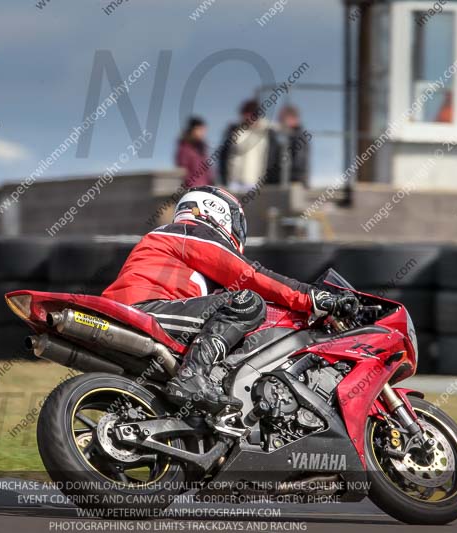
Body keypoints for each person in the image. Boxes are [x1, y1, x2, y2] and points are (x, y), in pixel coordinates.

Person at [102, 186, 357, 412]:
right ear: (218, 212)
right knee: (246, 302)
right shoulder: (191, 231)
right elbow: (250, 275)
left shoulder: (172, 241)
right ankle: (192, 376)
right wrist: (311, 296)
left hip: (143, 312)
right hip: (144, 310)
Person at [219, 100, 280, 193]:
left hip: (255, 182)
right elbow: (224, 156)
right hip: (234, 182)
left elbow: (272, 157)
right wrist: (223, 178)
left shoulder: (267, 133)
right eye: (245, 115)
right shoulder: (233, 131)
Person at [175, 117, 214, 188]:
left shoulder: (202, 149)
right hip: (192, 190)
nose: (203, 133)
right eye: (200, 130)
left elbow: (208, 172)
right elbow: (182, 172)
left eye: (204, 130)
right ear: (192, 130)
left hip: (205, 188)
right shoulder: (184, 149)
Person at [278, 105, 310, 185]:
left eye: (282, 119)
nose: (280, 122)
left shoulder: (298, 136)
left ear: (292, 118)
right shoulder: (290, 136)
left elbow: (298, 164)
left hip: (295, 183)